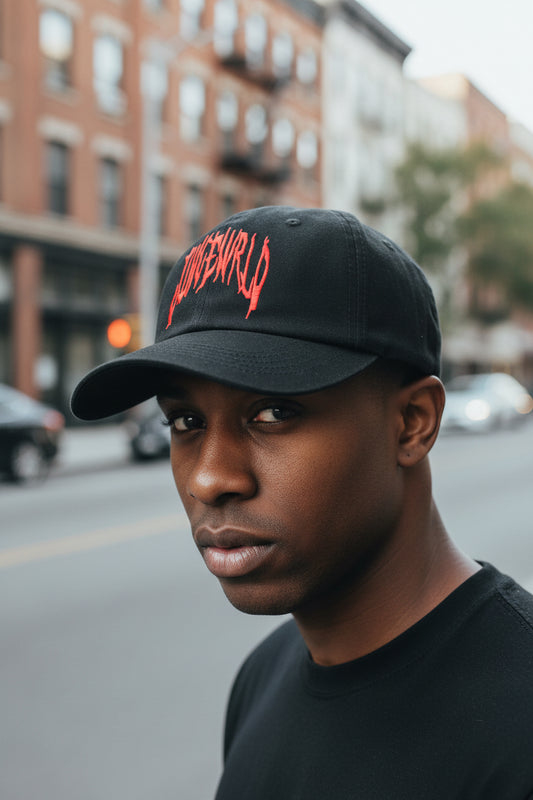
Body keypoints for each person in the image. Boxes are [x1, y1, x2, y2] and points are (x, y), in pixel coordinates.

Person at [72, 206, 533, 799]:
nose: (210, 479)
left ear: (412, 423)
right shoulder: (262, 678)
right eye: (185, 420)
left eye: (273, 413)